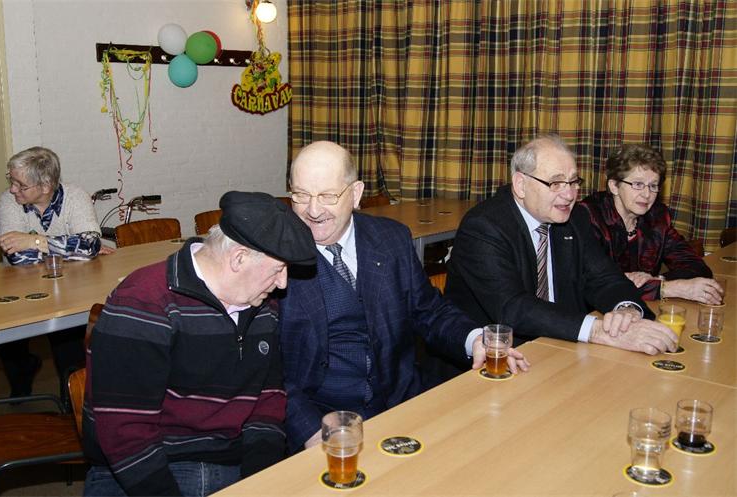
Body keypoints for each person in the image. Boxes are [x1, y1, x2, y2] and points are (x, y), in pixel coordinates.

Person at [279, 141, 530, 453]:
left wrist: (474, 339)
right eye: (301, 195)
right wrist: (310, 430)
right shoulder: (274, 257)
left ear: (356, 194)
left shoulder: (391, 238)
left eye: (328, 196)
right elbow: (268, 369)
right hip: (324, 423)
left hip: (402, 407)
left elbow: (429, 310)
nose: (313, 211)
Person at [83, 192, 317, 497]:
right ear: (239, 258)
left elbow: (268, 398)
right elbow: (125, 434)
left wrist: (258, 482)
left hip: (232, 464)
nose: (283, 283)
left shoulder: (261, 303)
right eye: (278, 269)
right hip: (145, 472)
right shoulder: (143, 302)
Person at [446, 135, 678, 354]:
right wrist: (597, 330)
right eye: (556, 183)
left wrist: (627, 310)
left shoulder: (575, 218)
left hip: (560, 347)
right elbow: (514, 309)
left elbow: (604, 277)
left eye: (573, 182)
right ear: (521, 185)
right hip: (497, 358)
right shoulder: (484, 227)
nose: (569, 195)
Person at [0, 146, 103, 398]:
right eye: (12, 181)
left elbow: (90, 245)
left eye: (21, 185)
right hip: (20, 289)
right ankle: (24, 373)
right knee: (10, 346)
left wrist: (34, 241)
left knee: (68, 342)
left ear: (45, 186)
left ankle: (71, 400)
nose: (13, 189)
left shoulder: (75, 196)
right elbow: (18, 258)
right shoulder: (8, 201)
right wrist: (73, 248)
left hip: (70, 287)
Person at [579, 143, 722, 304]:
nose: (647, 194)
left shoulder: (657, 217)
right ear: (614, 186)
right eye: (638, 184)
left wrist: (658, 280)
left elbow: (696, 266)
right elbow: (595, 284)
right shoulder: (589, 217)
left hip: (641, 309)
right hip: (597, 313)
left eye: (653, 185)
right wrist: (667, 288)